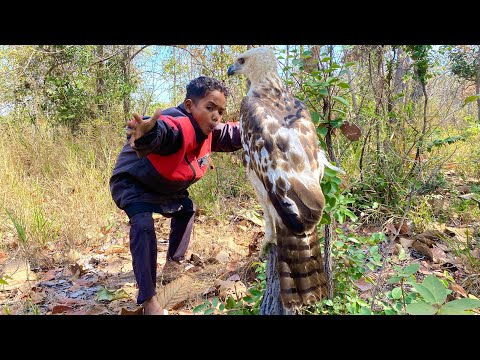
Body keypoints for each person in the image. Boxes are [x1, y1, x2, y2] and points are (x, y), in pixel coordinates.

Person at [110, 76, 242, 315]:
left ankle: (173, 263)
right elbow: (163, 132)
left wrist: (266, 125)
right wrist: (147, 133)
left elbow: (234, 134)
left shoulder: (209, 129)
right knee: (143, 225)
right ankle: (149, 300)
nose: (216, 117)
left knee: (186, 208)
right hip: (134, 182)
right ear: (190, 106)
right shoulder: (177, 124)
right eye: (210, 108)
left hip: (165, 186)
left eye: (220, 112)